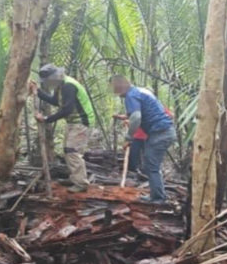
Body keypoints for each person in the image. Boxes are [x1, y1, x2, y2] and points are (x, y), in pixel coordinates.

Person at [28, 64, 95, 192]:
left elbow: (66, 110)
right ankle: (75, 178)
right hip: (73, 122)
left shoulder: (68, 86)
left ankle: (81, 183)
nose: (47, 83)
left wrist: (46, 119)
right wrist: (38, 92)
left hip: (81, 122)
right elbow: (55, 101)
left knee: (72, 151)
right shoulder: (61, 85)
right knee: (68, 150)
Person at [110, 75, 175, 203]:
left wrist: (129, 137)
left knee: (151, 166)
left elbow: (136, 117)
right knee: (152, 165)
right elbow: (144, 112)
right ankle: (158, 195)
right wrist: (124, 117)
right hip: (165, 131)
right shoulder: (141, 91)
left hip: (160, 133)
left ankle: (158, 198)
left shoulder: (131, 95)